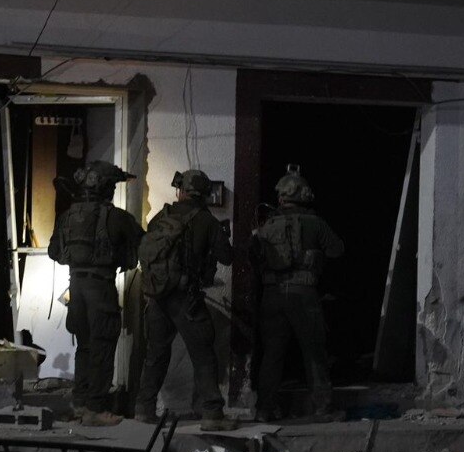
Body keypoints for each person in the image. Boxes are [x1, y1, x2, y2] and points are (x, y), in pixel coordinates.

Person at [47, 160, 144, 426]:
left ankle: (80, 403)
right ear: (106, 188)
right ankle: (96, 409)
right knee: (103, 347)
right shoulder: (116, 217)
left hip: (76, 288)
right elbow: (143, 243)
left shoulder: (67, 216)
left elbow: (54, 252)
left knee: (85, 346)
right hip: (101, 288)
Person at [134, 169, 232, 425]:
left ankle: (144, 409)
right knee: (203, 355)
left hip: (157, 297)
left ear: (181, 190)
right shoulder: (206, 220)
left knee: (155, 354)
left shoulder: (161, 217)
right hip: (186, 300)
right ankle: (212, 413)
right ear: (205, 193)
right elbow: (227, 257)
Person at [250, 165, 344, 422]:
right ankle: (323, 408)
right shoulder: (315, 223)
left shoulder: (267, 226)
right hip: (303, 295)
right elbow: (337, 250)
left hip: (272, 295)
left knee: (272, 354)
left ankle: (264, 409)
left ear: (281, 197)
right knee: (314, 352)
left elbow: (254, 258)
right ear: (305, 195)